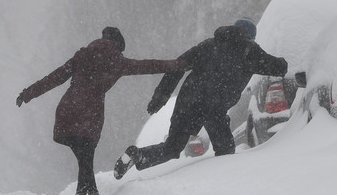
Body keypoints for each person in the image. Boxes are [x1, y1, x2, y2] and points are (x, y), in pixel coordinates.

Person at [16, 27, 187, 195]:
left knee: (84, 158)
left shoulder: (82, 55)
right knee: (86, 156)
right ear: (118, 45)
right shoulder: (117, 61)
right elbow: (148, 65)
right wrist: (178, 64)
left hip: (69, 108)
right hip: (91, 113)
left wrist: (27, 94)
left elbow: (54, 77)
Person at [113, 18, 287, 179]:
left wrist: (161, 96)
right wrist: (284, 61)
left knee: (172, 148)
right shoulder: (250, 51)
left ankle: (138, 155)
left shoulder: (208, 45)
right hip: (214, 108)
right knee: (225, 149)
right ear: (251, 36)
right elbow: (278, 67)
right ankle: (219, 185)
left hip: (188, 100)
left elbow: (177, 66)